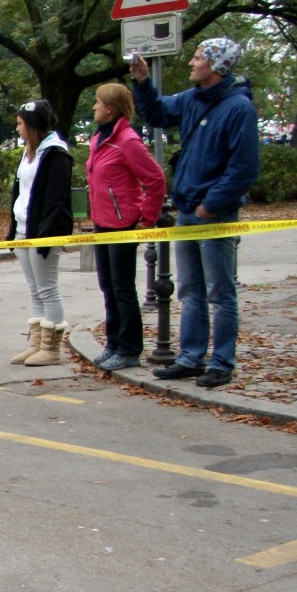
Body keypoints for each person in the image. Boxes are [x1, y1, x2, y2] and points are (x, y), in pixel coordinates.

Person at [132, 39, 260, 389]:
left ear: (217, 66)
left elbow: (244, 169)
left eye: (199, 57)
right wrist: (143, 82)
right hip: (187, 210)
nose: (191, 62)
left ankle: (221, 363)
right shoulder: (193, 99)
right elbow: (158, 113)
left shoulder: (238, 108)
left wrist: (210, 205)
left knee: (220, 292)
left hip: (213, 215)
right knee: (189, 290)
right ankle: (191, 357)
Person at [85, 82, 166, 371]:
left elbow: (155, 179)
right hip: (102, 222)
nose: (94, 107)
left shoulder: (127, 140)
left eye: (98, 102)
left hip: (122, 223)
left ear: (110, 108)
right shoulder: (100, 137)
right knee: (108, 286)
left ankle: (130, 349)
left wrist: (147, 216)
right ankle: (114, 342)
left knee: (122, 288)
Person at [5, 100, 75, 367]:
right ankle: (36, 344)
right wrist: (13, 229)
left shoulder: (56, 154)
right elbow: (20, 191)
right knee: (34, 289)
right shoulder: (28, 152)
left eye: (20, 123)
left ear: (32, 125)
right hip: (23, 228)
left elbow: (56, 199)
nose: (17, 128)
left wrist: (45, 235)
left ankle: (50, 348)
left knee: (47, 288)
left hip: (41, 232)